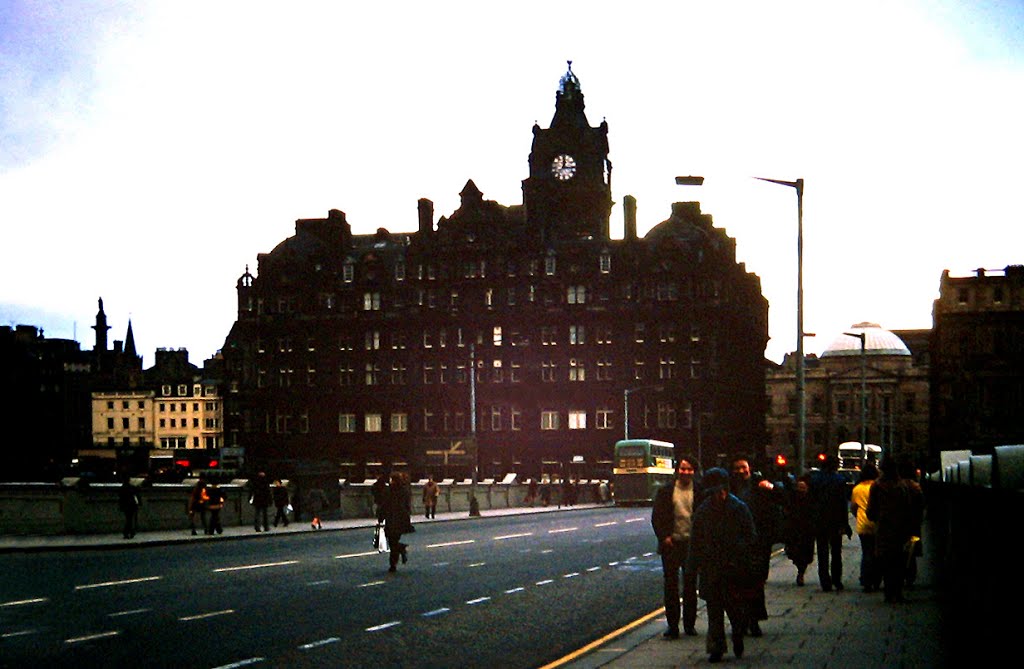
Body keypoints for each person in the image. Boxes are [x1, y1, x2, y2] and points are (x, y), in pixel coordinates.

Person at [688, 467, 757, 663]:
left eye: (722, 490)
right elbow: (696, 542)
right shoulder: (703, 512)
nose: (720, 495)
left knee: (735, 610)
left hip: (735, 568)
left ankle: (737, 634)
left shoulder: (739, 508)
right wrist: (692, 568)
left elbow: (751, 536)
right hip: (712, 569)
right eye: (715, 492)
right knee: (714, 611)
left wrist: (739, 550)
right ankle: (716, 647)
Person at [728, 456, 783, 637]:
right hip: (736, 543)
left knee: (756, 583)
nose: (740, 471)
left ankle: (754, 620)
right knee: (737, 585)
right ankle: (742, 621)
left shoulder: (759, 483)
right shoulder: (728, 487)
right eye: (736, 468)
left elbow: (781, 495)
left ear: (749, 468)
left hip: (758, 542)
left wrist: (772, 487)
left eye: (743, 467)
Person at [651, 455, 701, 638]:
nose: (685, 472)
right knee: (670, 587)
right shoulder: (666, 491)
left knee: (690, 586)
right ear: (677, 469)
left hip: (691, 545)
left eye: (689, 469)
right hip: (671, 544)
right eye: (682, 468)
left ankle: (690, 625)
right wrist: (664, 537)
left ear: (694, 471)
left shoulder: (699, 490)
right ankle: (672, 626)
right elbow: (657, 516)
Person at [867, 456, 915, 603]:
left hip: (883, 528)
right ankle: (898, 592)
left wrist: (878, 518)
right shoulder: (903, 486)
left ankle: (888, 592)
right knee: (899, 560)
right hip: (900, 528)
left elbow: (870, 510)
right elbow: (909, 507)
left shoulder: (876, 486)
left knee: (885, 560)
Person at [809, 454, 852, 592]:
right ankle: (836, 579)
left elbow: (811, 501)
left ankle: (825, 581)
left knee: (822, 552)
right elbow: (842, 504)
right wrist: (845, 524)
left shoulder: (815, 480)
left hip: (819, 520)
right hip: (835, 520)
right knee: (836, 551)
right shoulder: (840, 480)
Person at [849, 462, 881, 592]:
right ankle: (876, 579)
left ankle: (866, 580)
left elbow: (853, 508)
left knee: (866, 552)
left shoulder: (857, 489)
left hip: (863, 524)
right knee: (877, 553)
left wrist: (858, 517)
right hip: (877, 524)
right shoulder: (877, 486)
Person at [783, 474, 815, 586]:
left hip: (807, 531)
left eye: (803, 488)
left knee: (805, 554)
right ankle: (800, 570)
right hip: (795, 530)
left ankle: (801, 573)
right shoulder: (792, 499)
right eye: (799, 487)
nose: (801, 490)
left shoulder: (811, 499)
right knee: (794, 553)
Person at [899, 461, 925, 588]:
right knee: (911, 551)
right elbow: (921, 506)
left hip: (898, 523)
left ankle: (901, 575)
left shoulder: (897, 485)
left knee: (899, 551)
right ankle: (910, 576)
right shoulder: (916, 487)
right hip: (913, 523)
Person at [382, 472, 414, 573]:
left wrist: (381, 516)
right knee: (394, 541)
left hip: (391, 519)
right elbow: (407, 505)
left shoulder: (388, 490)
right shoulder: (404, 490)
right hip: (401, 519)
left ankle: (393, 563)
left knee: (392, 542)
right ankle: (399, 552)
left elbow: (384, 505)